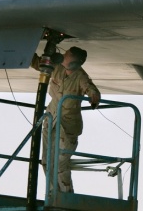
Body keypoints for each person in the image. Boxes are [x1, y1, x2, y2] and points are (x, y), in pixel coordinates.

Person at [31, 46, 101, 193]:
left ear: (74, 63)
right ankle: (52, 195)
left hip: (67, 127)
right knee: (46, 161)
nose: (63, 55)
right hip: (51, 120)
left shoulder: (80, 77)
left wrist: (94, 97)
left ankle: (66, 196)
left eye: (67, 55)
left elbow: (90, 89)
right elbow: (39, 64)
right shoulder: (57, 67)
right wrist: (26, 52)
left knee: (60, 165)